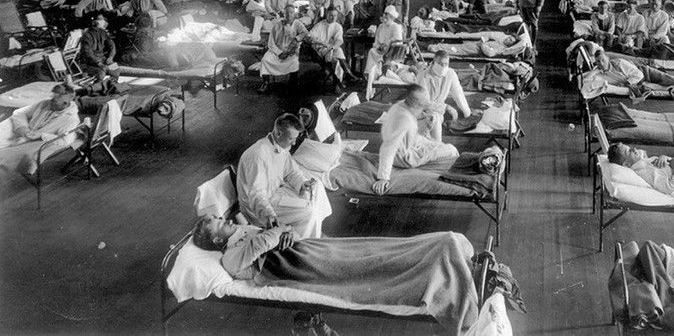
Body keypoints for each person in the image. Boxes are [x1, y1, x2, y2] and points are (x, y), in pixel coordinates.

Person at [191, 217, 479, 333]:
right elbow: (265, 242)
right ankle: (442, 261)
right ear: (216, 240)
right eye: (219, 223)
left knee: (373, 249)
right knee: (370, 265)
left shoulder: (240, 235)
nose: (225, 219)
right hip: (297, 264)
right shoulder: (229, 256)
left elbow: (277, 232)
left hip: (307, 248)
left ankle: (445, 250)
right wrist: (278, 231)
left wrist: (284, 230)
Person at [236, 113, 332, 237]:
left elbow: (291, 171)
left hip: (275, 193)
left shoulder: (280, 146)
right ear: (279, 133)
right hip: (260, 208)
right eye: (291, 139)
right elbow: (256, 194)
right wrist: (268, 214)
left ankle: (312, 228)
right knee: (309, 211)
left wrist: (303, 183)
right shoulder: (257, 155)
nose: (293, 143)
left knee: (317, 186)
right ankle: (306, 242)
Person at [373, 85, 459, 195]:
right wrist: (383, 178)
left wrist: (446, 107)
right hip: (405, 157)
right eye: (422, 103)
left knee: (439, 144)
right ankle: (455, 178)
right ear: (415, 103)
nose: (425, 105)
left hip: (413, 142)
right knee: (451, 149)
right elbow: (388, 148)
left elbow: (427, 103)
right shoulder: (404, 120)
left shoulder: (401, 105)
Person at [2, 83, 80, 179]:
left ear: (65, 103)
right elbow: (19, 113)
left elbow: (66, 140)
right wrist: (23, 127)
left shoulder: (71, 118)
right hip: (23, 133)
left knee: (7, 154)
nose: (51, 102)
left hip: (35, 141)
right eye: (52, 98)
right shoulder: (44, 103)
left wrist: (41, 135)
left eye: (55, 101)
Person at [415, 51, 471, 141]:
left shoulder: (450, 73)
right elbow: (423, 102)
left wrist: (467, 112)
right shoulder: (423, 75)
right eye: (441, 64)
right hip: (422, 111)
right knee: (434, 119)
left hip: (437, 110)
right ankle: (437, 146)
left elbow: (458, 93)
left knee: (436, 117)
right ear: (434, 62)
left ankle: (436, 146)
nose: (443, 67)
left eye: (446, 64)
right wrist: (446, 107)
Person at [258, 5, 308, 93]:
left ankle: (292, 83)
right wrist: (279, 53)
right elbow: (271, 42)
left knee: (294, 62)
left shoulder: (297, 23)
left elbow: (305, 33)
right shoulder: (277, 25)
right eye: (287, 13)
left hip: (290, 51)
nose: (289, 15)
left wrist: (297, 39)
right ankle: (265, 83)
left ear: (294, 14)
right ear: (283, 14)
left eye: (291, 12)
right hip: (276, 51)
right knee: (265, 60)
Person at [308, 9, 358, 89]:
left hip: (332, 48)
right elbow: (310, 36)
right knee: (336, 61)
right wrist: (321, 43)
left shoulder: (337, 26)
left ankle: (347, 74)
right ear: (326, 15)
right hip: (321, 49)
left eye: (335, 15)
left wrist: (332, 48)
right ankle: (337, 83)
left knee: (339, 51)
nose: (333, 17)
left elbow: (339, 40)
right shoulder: (320, 25)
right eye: (331, 15)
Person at [79, 14, 120, 82]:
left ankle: (110, 86)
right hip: (89, 63)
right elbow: (88, 53)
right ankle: (97, 88)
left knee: (116, 68)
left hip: (102, 60)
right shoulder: (87, 35)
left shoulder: (102, 32)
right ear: (94, 23)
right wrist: (99, 63)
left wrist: (110, 57)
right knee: (101, 73)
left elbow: (112, 46)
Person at [364, 4, 405, 74]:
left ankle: (379, 73)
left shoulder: (396, 26)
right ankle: (370, 74)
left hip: (391, 51)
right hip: (380, 50)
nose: (385, 18)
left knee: (383, 56)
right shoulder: (380, 26)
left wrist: (388, 44)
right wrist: (378, 46)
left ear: (392, 17)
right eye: (384, 15)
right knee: (372, 51)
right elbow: (376, 39)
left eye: (387, 16)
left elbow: (398, 41)